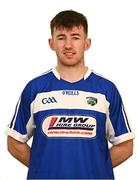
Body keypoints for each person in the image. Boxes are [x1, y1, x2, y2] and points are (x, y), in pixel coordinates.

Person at [6, 10, 135, 179]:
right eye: (61, 38)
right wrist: (45, 168)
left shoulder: (106, 90)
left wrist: (93, 169)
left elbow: (125, 146)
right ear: (51, 43)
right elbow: (14, 142)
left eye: (75, 37)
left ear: (87, 43)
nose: (68, 45)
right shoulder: (35, 89)